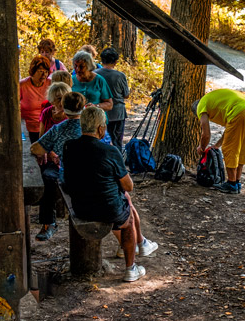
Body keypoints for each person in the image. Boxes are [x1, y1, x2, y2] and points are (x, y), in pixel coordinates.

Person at [62, 107, 158, 283]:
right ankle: (131, 269)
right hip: (107, 209)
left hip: (80, 207)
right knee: (126, 216)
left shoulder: (69, 146)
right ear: (101, 129)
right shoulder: (109, 151)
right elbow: (128, 185)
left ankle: (139, 245)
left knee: (117, 202)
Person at [30, 92, 87, 241]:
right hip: (88, 175)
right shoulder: (91, 125)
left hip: (67, 175)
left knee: (47, 178)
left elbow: (36, 148)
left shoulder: (59, 128)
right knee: (49, 176)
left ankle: (48, 223)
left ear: (63, 107)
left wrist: (50, 151)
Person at [197, 89, 245, 194]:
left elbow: (206, 134)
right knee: (241, 148)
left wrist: (202, 147)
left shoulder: (200, 107)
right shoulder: (211, 101)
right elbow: (230, 128)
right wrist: (217, 145)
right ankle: (237, 181)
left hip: (239, 111)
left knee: (229, 149)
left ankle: (231, 183)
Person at [96, 48, 129, 149]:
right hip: (117, 113)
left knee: (99, 140)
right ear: (115, 62)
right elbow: (126, 94)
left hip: (99, 112)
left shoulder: (94, 74)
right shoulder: (120, 76)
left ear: (102, 60)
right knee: (116, 142)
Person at [20, 55, 52, 145]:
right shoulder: (23, 85)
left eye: (46, 72)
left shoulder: (50, 83)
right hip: (31, 127)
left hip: (49, 126)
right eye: (40, 71)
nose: (44, 74)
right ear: (33, 71)